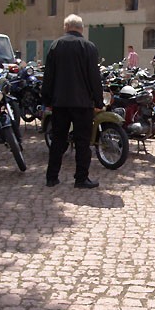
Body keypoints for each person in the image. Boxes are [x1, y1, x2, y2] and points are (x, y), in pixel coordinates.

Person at [41, 14, 104, 189]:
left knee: (58, 140)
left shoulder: (56, 46)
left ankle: (52, 177)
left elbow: (49, 76)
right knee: (83, 141)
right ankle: (81, 178)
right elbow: (94, 77)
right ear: (81, 28)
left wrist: (46, 99)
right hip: (82, 102)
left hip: (60, 102)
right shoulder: (89, 47)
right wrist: (99, 101)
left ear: (66, 27)